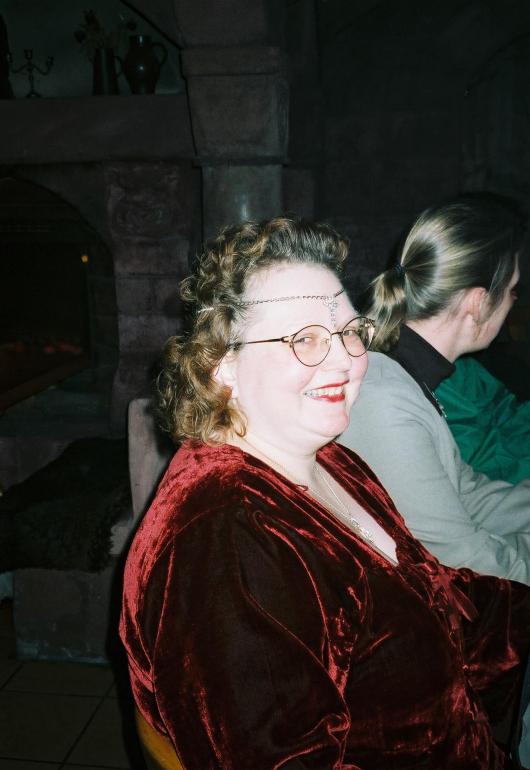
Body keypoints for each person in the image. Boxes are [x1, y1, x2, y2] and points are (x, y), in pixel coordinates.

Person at [120, 217, 530, 769]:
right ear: (223, 366)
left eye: (349, 331)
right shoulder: (225, 541)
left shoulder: (330, 460)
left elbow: (437, 595)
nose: (344, 359)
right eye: (304, 339)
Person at [340, 194, 530, 584]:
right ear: (479, 302)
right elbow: (462, 563)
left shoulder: (407, 375)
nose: (513, 302)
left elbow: (467, 491)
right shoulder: (384, 400)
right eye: (513, 290)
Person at [435, 354, 530, 484]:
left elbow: (503, 405)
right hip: (495, 480)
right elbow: (476, 465)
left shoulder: (459, 363)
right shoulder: (422, 383)